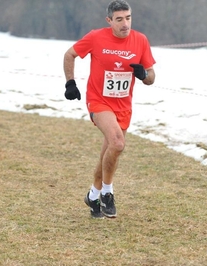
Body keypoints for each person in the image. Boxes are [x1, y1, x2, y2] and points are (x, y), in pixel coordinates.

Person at [63, 0, 156, 218]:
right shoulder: (96, 37)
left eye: (128, 18)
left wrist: (144, 75)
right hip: (98, 101)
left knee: (109, 152)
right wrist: (70, 83)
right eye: (119, 19)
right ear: (109, 21)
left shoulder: (140, 40)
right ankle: (107, 192)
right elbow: (69, 54)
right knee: (118, 142)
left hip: (123, 106)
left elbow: (152, 77)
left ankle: (93, 196)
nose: (125, 23)